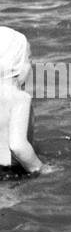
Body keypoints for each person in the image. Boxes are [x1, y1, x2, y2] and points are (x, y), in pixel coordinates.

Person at [0, 28, 41, 176]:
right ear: (17, 65)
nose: (31, 64)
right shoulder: (19, 98)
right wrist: (40, 168)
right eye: (28, 59)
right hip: (8, 173)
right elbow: (17, 146)